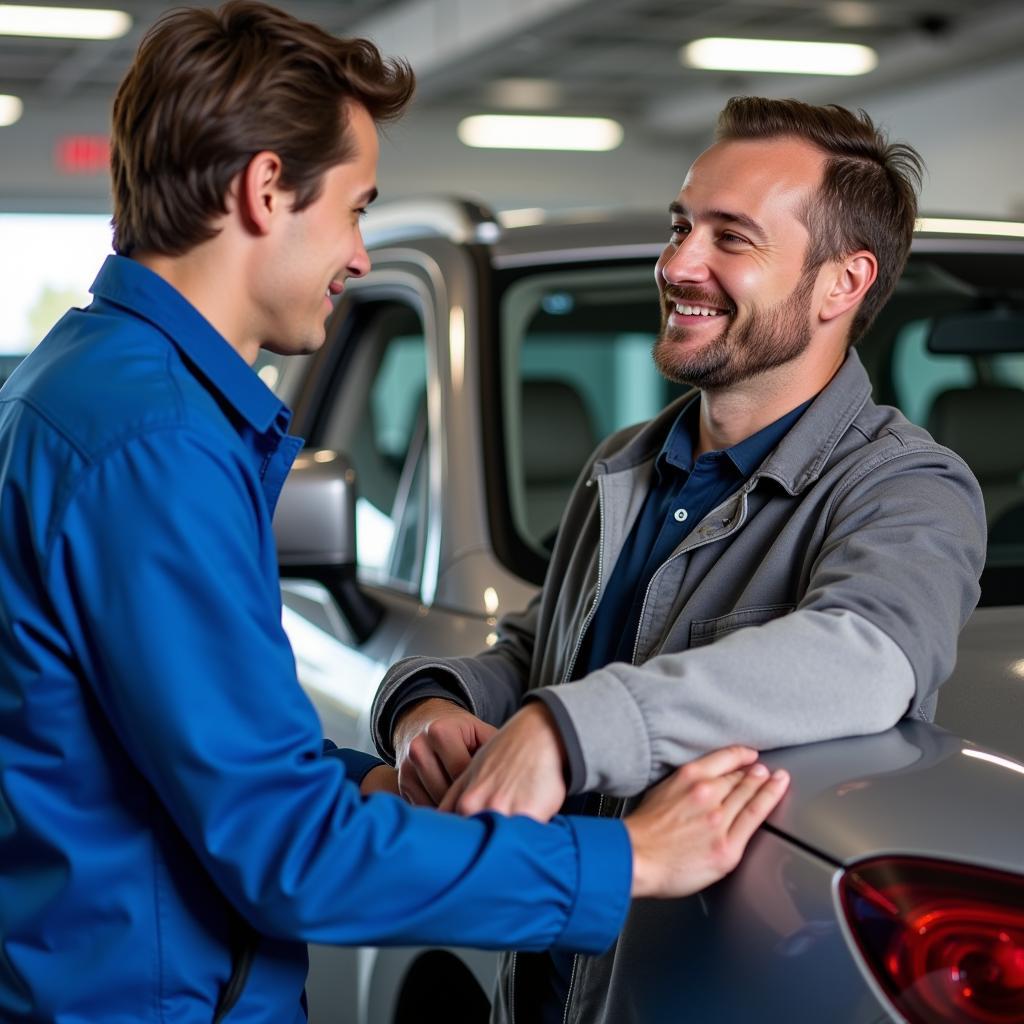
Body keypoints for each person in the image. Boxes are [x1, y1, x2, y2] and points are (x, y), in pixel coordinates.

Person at [0, 6, 791, 1023]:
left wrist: (366, 787)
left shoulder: (92, 384)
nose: (359, 254)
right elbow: (289, 855)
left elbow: (164, 750)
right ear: (265, 188)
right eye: (357, 208)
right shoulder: (154, 442)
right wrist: (626, 858)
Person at [371, 97, 988, 1022]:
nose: (675, 264)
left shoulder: (907, 490)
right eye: (679, 226)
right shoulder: (626, 467)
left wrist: (570, 729)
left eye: (729, 238)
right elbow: (545, 653)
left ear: (841, 284)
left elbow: (869, 657)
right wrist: (431, 704)